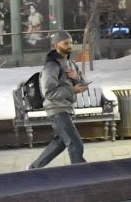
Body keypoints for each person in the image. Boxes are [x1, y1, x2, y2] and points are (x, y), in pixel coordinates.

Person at [29, 32, 87, 168]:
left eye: (71, 42)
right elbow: (49, 93)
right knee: (75, 143)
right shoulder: (51, 66)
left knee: (60, 142)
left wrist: (76, 78)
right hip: (56, 109)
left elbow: (83, 85)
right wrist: (73, 90)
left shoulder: (71, 64)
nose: (70, 45)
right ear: (56, 46)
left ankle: (33, 168)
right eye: (65, 43)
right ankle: (81, 173)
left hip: (66, 108)